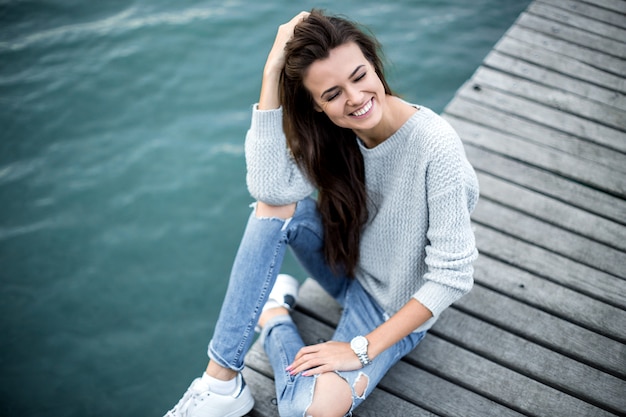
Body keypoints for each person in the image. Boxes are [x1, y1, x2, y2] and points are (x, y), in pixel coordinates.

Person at [165, 8, 478, 417]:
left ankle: (275, 315)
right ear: (316, 106)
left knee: (310, 411)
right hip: (348, 270)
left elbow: (452, 275)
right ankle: (221, 380)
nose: (355, 98)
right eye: (331, 94)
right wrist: (271, 72)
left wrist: (359, 349)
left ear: (373, 64)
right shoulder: (335, 133)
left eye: (360, 75)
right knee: (275, 207)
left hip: (393, 307)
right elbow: (269, 191)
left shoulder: (436, 146)